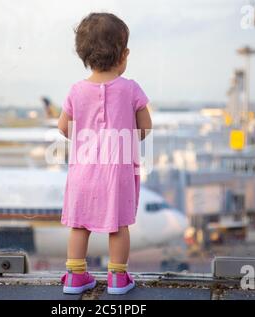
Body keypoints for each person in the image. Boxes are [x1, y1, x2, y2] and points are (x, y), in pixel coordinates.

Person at [58, 12, 152, 295]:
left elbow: (63, 127)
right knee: (118, 226)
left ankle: (75, 277)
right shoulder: (131, 88)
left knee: (79, 225)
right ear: (123, 55)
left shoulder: (76, 90)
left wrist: (88, 140)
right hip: (117, 174)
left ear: (83, 54)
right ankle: (117, 279)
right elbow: (145, 127)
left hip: (82, 174)